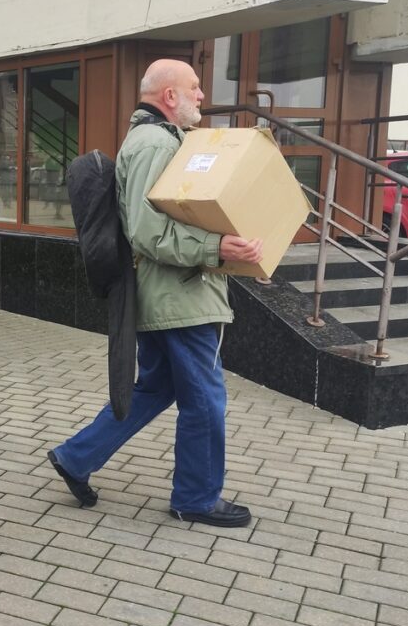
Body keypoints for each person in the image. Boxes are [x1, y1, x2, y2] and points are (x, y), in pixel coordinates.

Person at [48, 59, 263, 528]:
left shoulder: (160, 140)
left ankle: (75, 457)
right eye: (195, 87)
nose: (202, 95)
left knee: (154, 388)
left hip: (171, 293)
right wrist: (216, 247)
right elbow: (148, 232)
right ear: (169, 96)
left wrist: (233, 251)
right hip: (179, 298)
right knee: (205, 399)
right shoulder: (154, 144)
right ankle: (197, 498)